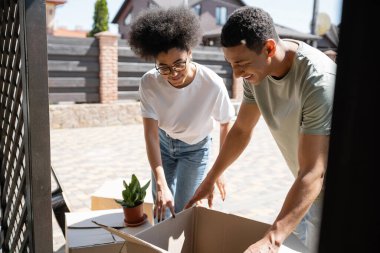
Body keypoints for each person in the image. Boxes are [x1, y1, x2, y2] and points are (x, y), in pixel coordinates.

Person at [185, 6, 336, 253]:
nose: (236, 74)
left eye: (241, 64)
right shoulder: (255, 74)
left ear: (269, 48)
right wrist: (211, 178)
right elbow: (242, 130)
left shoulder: (318, 81)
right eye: (231, 64)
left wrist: (271, 240)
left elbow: (313, 171)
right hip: (305, 189)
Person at [127, 6, 235, 223]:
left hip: (196, 149)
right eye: (164, 67)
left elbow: (226, 123)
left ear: (190, 53)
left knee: (186, 209)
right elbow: (150, 134)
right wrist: (160, 183)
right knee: (162, 207)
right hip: (164, 145)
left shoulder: (212, 84)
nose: (173, 73)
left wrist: (219, 171)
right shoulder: (149, 82)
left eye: (179, 63)